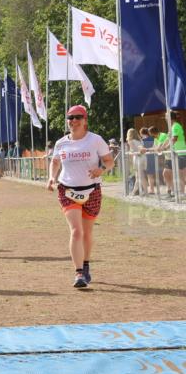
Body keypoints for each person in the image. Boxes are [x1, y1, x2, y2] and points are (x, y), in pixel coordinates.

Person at [47, 105, 115, 288]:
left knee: (87, 232)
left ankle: (85, 265)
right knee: (76, 230)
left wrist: (100, 169)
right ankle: (78, 274)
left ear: (85, 120)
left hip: (92, 190)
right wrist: (52, 178)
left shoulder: (95, 140)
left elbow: (109, 162)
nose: (74, 121)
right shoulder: (61, 143)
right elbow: (55, 162)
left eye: (78, 117)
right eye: (70, 118)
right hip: (67, 190)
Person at [126, 128, 145, 196]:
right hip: (143, 157)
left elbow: (134, 150)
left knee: (139, 176)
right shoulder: (140, 140)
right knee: (139, 175)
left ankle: (138, 191)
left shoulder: (130, 140)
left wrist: (130, 152)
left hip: (137, 158)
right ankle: (137, 191)